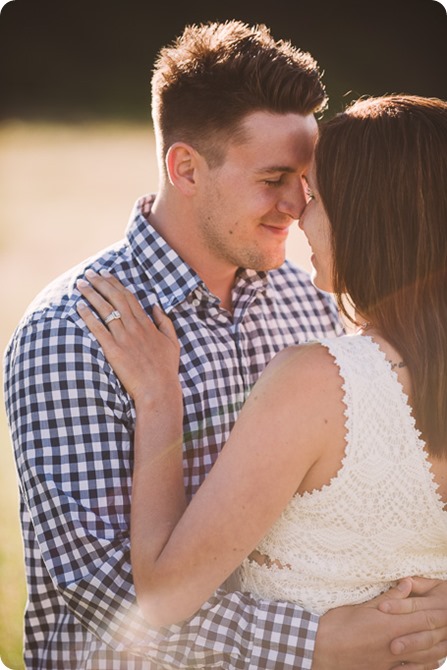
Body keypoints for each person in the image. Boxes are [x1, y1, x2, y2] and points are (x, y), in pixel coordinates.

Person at [2, 15, 446, 667]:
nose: (296, 205)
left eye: (306, 180)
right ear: (185, 168)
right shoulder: (76, 330)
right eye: (272, 179)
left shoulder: (309, 304)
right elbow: (99, 592)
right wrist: (313, 643)